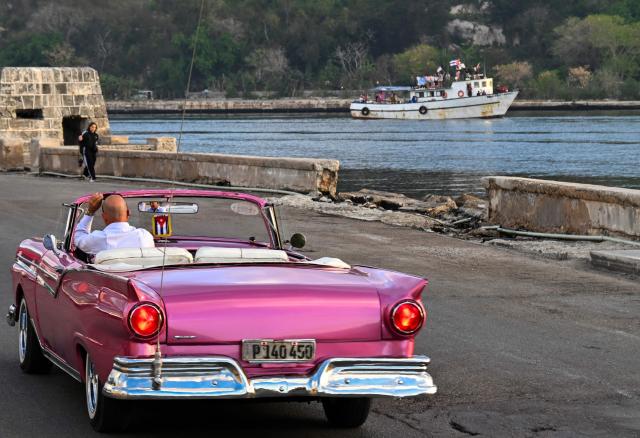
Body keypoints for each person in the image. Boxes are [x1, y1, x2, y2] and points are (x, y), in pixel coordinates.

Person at [74, 193, 155, 254]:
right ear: (128, 213)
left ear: (104, 217)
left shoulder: (99, 239)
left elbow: (77, 237)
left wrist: (90, 212)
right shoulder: (144, 236)